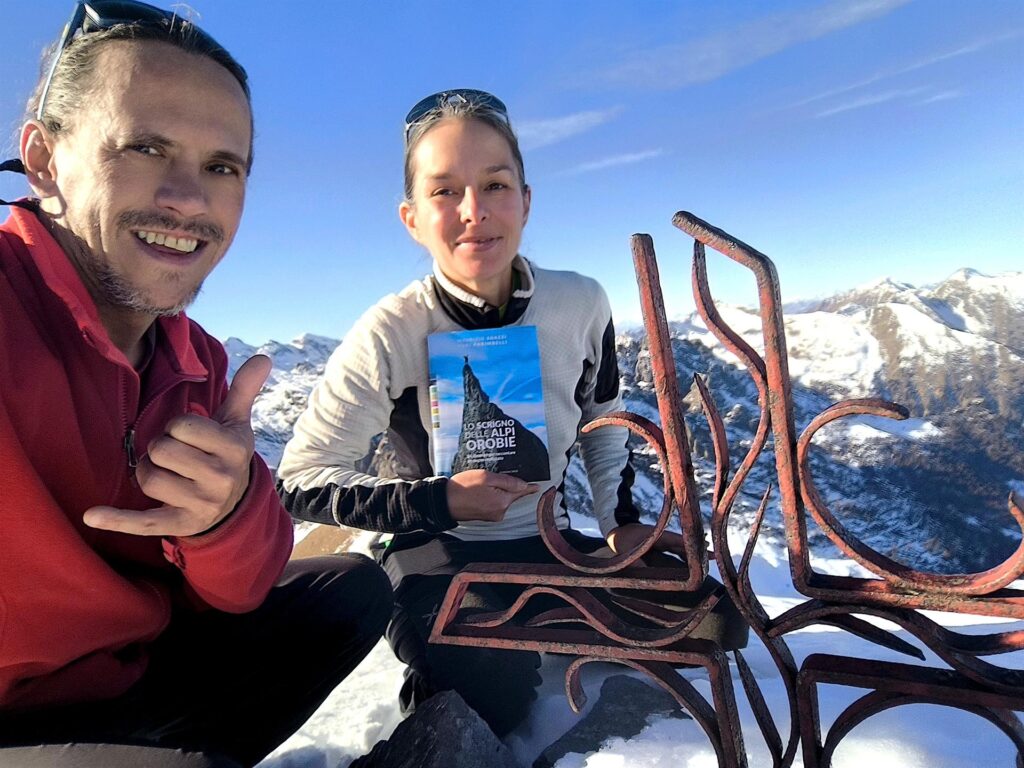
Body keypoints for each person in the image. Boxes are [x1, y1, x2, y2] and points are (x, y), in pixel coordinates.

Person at [277, 88, 747, 737]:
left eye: (496, 184)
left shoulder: (580, 303)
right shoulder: (390, 331)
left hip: (547, 541)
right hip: (434, 556)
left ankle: (539, 628)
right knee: (491, 697)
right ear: (411, 218)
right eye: (445, 191)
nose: (474, 211)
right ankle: (460, 676)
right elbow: (301, 482)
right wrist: (441, 500)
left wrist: (623, 526)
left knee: (714, 620)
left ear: (526, 200)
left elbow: (603, 418)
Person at [0, 3, 391, 766]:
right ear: (45, 159)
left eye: (222, 166)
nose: (188, 198)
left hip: (129, 678)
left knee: (351, 593)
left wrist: (224, 516)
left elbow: (243, 589)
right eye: (145, 147)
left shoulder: (200, 362)